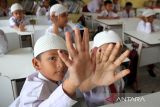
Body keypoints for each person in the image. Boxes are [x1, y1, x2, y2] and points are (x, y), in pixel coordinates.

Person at [10, 28, 130, 107]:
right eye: (52, 58)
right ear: (36, 64)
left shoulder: (58, 77)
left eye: (64, 56)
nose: (61, 64)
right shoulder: (34, 90)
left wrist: (93, 81)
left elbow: (79, 90)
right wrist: (72, 83)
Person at [82, 30, 127, 107]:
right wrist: (94, 81)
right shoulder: (88, 72)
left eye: (116, 54)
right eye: (106, 53)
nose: (111, 58)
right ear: (93, 53)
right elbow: (83, 87)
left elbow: (120, 89)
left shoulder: (117, 68)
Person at [137, 9, 160, 77]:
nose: (154, 18)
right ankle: (150, 66)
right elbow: (148, 32)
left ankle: (151, 65)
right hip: (143, 43)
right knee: (152, 51)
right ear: (147, 17)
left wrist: (150, 23)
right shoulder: (141, 23)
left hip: (151, 42)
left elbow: (156, 29)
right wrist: (147, 22)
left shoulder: (151, 22)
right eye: (152, 17)